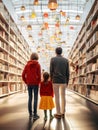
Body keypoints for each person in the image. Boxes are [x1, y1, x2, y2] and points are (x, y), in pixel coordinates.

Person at [50, 47, 69, 118]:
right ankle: (63, 112)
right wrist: (67, 81)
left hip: (55, 80)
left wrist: (51, 79)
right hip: (63, 80)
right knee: (63, 96)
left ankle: (58, 113)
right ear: (61, 52)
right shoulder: (66, 60)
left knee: (57, 97)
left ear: (55, 52)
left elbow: (51, 70)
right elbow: (67, 72)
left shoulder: (52, 59)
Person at [22, 52, 41, 119]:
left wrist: (26, 81)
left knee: (30, 98)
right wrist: (39, 83)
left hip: (29, 83)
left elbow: (23, 74)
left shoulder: (27, 65)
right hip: (35, 84)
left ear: (31, 57)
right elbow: (39, 75)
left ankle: (30, 114)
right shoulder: (38, 65)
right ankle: (35, 114)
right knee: (35, 98)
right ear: (37, 57)